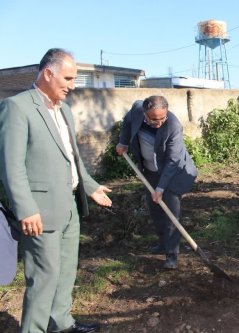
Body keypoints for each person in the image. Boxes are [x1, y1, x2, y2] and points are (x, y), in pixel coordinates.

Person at [0, 48, 112, 333]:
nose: (72, 86)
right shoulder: (17, 107)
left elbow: (72, 157)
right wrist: (26, 208)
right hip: (39, 212)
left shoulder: (63, 109)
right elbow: (10, 166)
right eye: (69, 78)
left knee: (64, 273)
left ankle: (61, 324)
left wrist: (90, 186)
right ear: (48, 73)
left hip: (69, 207)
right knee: (43, 278)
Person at [116, 95, 198, 269]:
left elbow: (172, 161)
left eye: (162, 118)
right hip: (149, 170)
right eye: (153, 119)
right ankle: (163, 243)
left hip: (173, 172)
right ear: (145, 113)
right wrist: (123, 141)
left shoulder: (173, 126)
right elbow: (128, 121)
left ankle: (171, 255)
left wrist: (160, 187)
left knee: (171, 213)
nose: (159, 122)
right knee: (155, 210)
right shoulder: (137, 110)